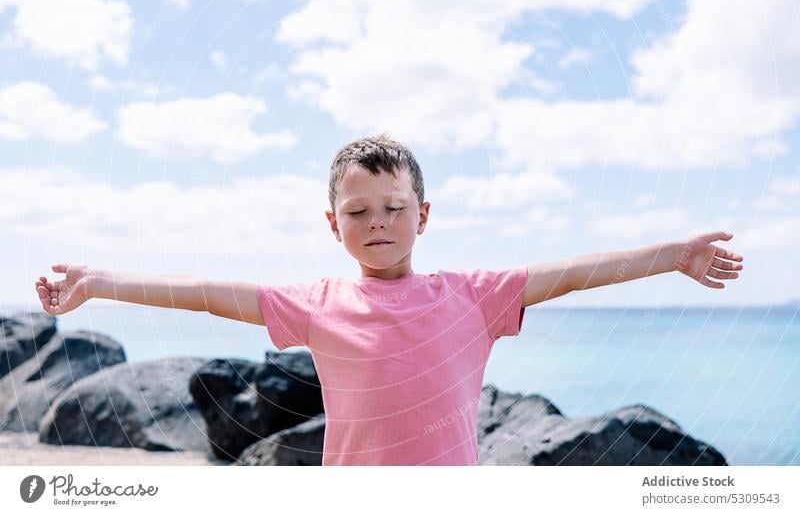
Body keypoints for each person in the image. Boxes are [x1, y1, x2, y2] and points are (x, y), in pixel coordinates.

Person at [35, 133, 744, 466]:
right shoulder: (317, 302)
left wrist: (673, 257)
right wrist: (98, 283)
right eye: (359, 210)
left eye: (394, 207)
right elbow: (207, 296)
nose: (377, 222)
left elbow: (576, 273)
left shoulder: (475, 297)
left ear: (423, 216)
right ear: (333, 224)